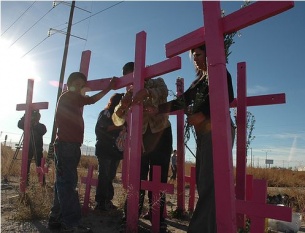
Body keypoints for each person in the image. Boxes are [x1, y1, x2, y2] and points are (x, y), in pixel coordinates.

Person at [146, 45, 235, 233]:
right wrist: (158, 109)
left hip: (218, 130)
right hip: (203, 133)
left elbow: (228, 96)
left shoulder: (220, 71)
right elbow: (182, 101)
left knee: (210, 182)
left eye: (199, 54)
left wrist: (203, 113)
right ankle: (209, 227)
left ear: (210, 53)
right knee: (204, 182)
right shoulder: (200, 80)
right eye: (193, 56)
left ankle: (201, 229)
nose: (195, 59)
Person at [48, 72, 117, 233]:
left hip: (69, 145)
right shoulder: (69, 96)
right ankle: (71, 223)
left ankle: (56, 218)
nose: (79, 88)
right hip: (67, 146)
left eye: (82, 86)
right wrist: (108, 88)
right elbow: (91, 100)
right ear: (70, 85)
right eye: (77, 85)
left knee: (62, 184)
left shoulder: (71, 101)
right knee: (67, 184)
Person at [112, 62, 172, 232]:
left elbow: (163, 93)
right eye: (127, 80)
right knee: (137, 176)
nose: (130, 83)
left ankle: (157, 217)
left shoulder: (156, 82)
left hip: (161, 134)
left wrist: (146, 92)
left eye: (132, 77)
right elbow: (117, 120)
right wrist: (122, 107)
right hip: (140, 138)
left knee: (158, 178)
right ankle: (130, 214)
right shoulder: (127, 95)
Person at [94, 93, 125, 211]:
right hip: (105, 148)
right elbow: (101, 128)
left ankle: (107, 200)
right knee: (104, 175)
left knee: (110, 176)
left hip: (116, 150)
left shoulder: (124, 115)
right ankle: (100, 202)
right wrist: (118, 127)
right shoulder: (107, 113)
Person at [17, 110, 47, 185]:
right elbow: (19, 124)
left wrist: (35, 124)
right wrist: (25, 116)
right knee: (26, 164)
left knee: (40, 165)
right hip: (28, 147)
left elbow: (43, 131)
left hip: (38, 148)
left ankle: (42, 182)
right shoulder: (27, 125)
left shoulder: (41, 126)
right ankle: (25, 182)